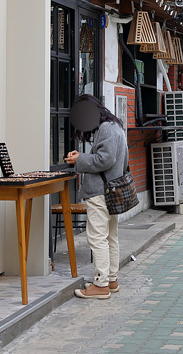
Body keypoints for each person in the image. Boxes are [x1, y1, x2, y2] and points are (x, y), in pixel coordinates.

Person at [65, 94, 128, 300]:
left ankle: (100, 285)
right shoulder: (114, 126)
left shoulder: (107, 129)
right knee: (110, 236)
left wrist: (79, 159)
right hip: (112, 190)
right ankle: (111, 280)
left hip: (100, 191)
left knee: (97, 237)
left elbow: (105, 159)